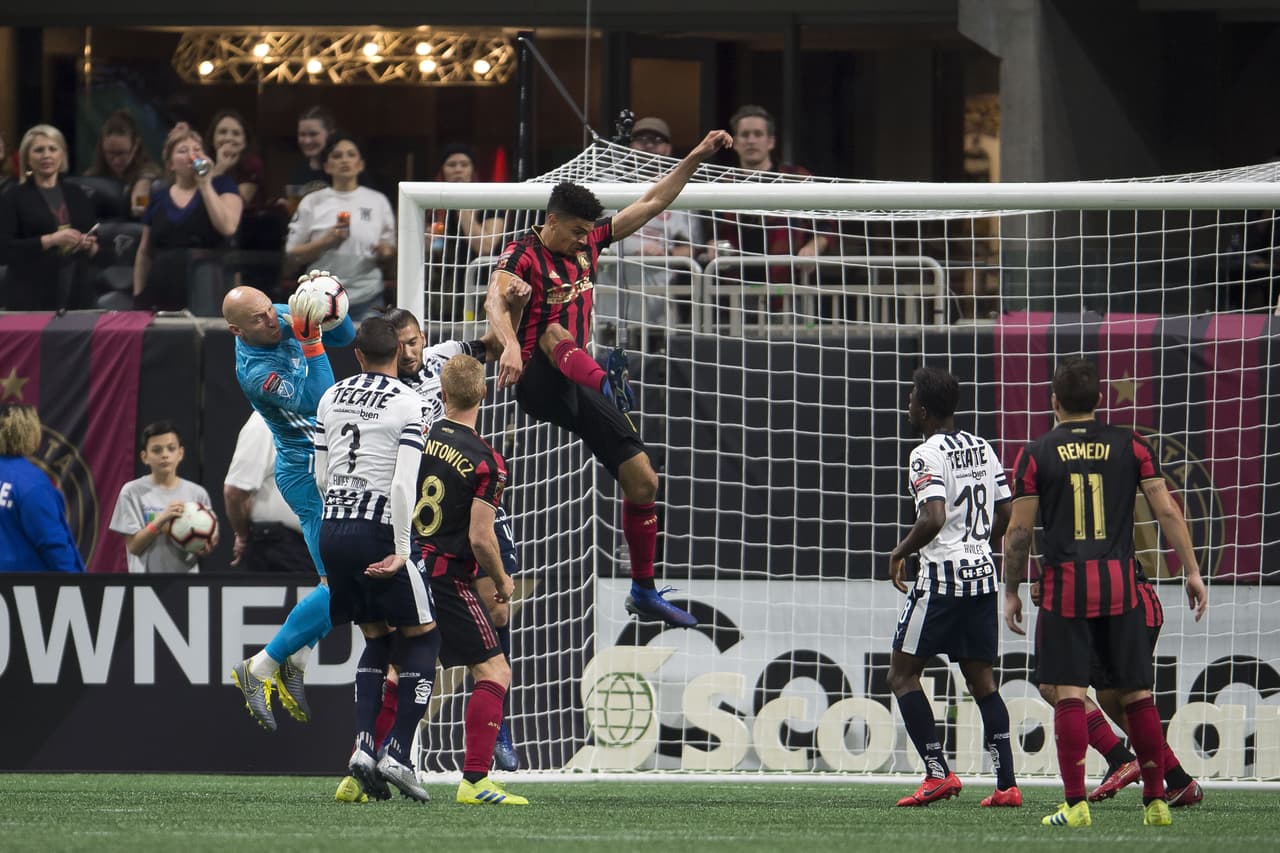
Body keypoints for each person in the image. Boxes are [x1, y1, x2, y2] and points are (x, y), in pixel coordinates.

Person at [486, 133, 732, 628]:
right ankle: (607, 382)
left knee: (643, 480)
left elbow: (654, 199)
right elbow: (495, 299)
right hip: (538, 377)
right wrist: (510, 343)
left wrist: (696, 156)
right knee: (554, 328)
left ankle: (642, 589)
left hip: (579, 381)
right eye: (577, 230)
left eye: (588, 232)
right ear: (552, 220)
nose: (585, 239)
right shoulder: (522, 255)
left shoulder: (589, 242)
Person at [1003, 356, 1208, 829]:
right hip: (1123, 586)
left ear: (1053, 402)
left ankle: (1076, 805)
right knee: (1137, 695)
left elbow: (1018, 533)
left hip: (1064, 589)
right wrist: (1192, 570)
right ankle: (1157, 802)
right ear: (1099, 401)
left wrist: (1011, 588)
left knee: (1067, 692)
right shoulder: (1131, 445)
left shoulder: (1036, 453)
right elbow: (1169, 512)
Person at [387, 307, 521, 772]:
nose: (408, 351)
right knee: (408, 643)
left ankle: (496, 722)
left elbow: (493, 343)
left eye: (413, 341)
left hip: (469, 492)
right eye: (399, 345)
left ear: (423, 338)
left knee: (499, 605)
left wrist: (513, 307)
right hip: (427, 510)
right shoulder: (387, 386)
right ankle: (388, 747)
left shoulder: (445, 357)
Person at [222, 278, 355, 732]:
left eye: (269, 308)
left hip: (332, 469)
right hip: (305, 474)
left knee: (348, 583)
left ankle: (293, 657)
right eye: (257, 318)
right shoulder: (256, 374)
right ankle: (261, 666)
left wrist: (331, 302)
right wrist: (311, 337)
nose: (271, 318)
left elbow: (347, 336)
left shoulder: (277, 312)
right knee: (339, 583)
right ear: (237, 331)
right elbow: (322, 401)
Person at [314, 316, 437, 803]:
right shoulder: (410, 402)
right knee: (425, 636)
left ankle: (364, 748)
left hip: (333, 528)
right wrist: (402, 551)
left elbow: (320, 474)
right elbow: (404, 484)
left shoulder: (332, 396)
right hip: (378, 531)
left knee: (376, 637)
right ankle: (399, 754)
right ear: (397, 355)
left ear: (358, 355)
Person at [887, 367, 1019, 808]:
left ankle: (937, 773)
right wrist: (979, 544)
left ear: (923, 409)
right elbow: (1005, 511)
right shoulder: (982, 447)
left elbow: (933, 517)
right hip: (982, 578)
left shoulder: (925, 453)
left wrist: (900, 551)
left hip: (942, 580)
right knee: (983, 682)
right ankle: (1006, 785)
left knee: (902, 675)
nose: (908, 404)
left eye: (910, 398)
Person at [417, 354, 527, 806]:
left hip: (409, 568)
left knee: (398, 671)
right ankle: (476, 780)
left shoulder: (420, 437)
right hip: (447, 575)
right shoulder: (486, 461)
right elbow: (482, 538)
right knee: (495, 670)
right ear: (484, 393)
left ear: (441, 394)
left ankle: (361, 764)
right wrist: (501, 579)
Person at [1030, 567, 1204, 808]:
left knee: (1056, 685)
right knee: (1116, 699)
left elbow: (1077, 551)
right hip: (1125, 603)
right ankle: (1178, 780)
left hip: (1116, 606)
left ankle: (1121, 761)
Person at [707, 105, 831, 285]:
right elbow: (708, 231)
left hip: (788, 287)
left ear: (771, 141)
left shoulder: (796, 178)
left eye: (758, 134)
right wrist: (711, 244)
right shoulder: (722, 185)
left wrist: (814, 246)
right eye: (745, 134)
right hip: (734, 289)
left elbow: (827, 224)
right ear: (734, 142)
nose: (751, 141)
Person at [599, 116, 701, 330]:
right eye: (641, 139)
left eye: (657, 140)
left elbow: (691, 247)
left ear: (668, 148)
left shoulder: (683, 192)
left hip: (659, 306)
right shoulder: (607, 184)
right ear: (629, 145)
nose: (648, 146)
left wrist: (665, 255)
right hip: (609, 298)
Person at [133, 122, 243, 313]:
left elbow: (227, 227)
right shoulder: (158, 196)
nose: (192, 155)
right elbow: (144, 252)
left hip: (208, 287)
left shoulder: (222, 186)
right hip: (162, 289)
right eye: (183, 151)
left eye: (197, 149)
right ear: (170, 164)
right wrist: (138, 295)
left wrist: (205, 184)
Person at [286, 134, 395, 323]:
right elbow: (292, 253)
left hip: (368, 296)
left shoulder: (378, 201)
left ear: (360, 164)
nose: (344, 160)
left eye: (351, 155)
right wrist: (327, 241)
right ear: (327, 166)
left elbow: (391, 249)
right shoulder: (312, 202)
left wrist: (385, 251)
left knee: (371, 350)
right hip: (320, 298)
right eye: (337, 156)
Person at [0, 124, 105, 311]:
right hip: (30, 293)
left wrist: (90, 245)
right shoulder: (13, 196)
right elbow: (5, 249)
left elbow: (99, 244)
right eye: (39, 150)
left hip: (77, 290)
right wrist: (50, 240)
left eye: (53, 149)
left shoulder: (77, 194)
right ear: (27, 158)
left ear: (62, 155)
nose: (46, 155)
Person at [109, 421, 216, 573]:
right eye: (157, 450)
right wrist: (160, 521)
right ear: (144, 457)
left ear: (180, 453)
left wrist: (203, 547)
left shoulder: (197, 493)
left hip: (187, 585)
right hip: (145, 586)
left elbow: (206, 540)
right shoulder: (132, 491)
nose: (165, 455)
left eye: (171, 449)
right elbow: (134, 547)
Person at [223, 410, 316, 573]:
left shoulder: (321, 415)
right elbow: (235, 492)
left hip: (314, 545)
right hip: (280, 548)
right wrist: (243, 534)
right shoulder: (264, 421)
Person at [0, 403, 85, 573]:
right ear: (30, 432)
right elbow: (52, 542)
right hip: (25, 591)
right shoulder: (31, 482)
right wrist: (78, 584)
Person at [427, 143, 505, 321]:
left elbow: (485, 246)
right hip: (439, 288)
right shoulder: (428, 204)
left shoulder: (488, 201)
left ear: (472, 170)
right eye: (452, 165)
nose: (458, 170)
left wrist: (461, 204)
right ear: (443, 171)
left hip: (481, 286)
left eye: (464, 165)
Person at [84, 109, 162, 219]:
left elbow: (140, 206)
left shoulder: (149, 173)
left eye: (121, 153)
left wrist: (143, 187)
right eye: (110, 153)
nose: (115, 161)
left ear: (135, 146)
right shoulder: (92, 177)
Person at [204, 109, 266, 207]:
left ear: (245, 142)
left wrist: (220, 169)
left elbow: (236, 206)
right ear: (212, 139)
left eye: (236, 134)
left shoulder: (252, 164)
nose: (228, 138)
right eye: (222, 132)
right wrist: (218, 168)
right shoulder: (203, 162)